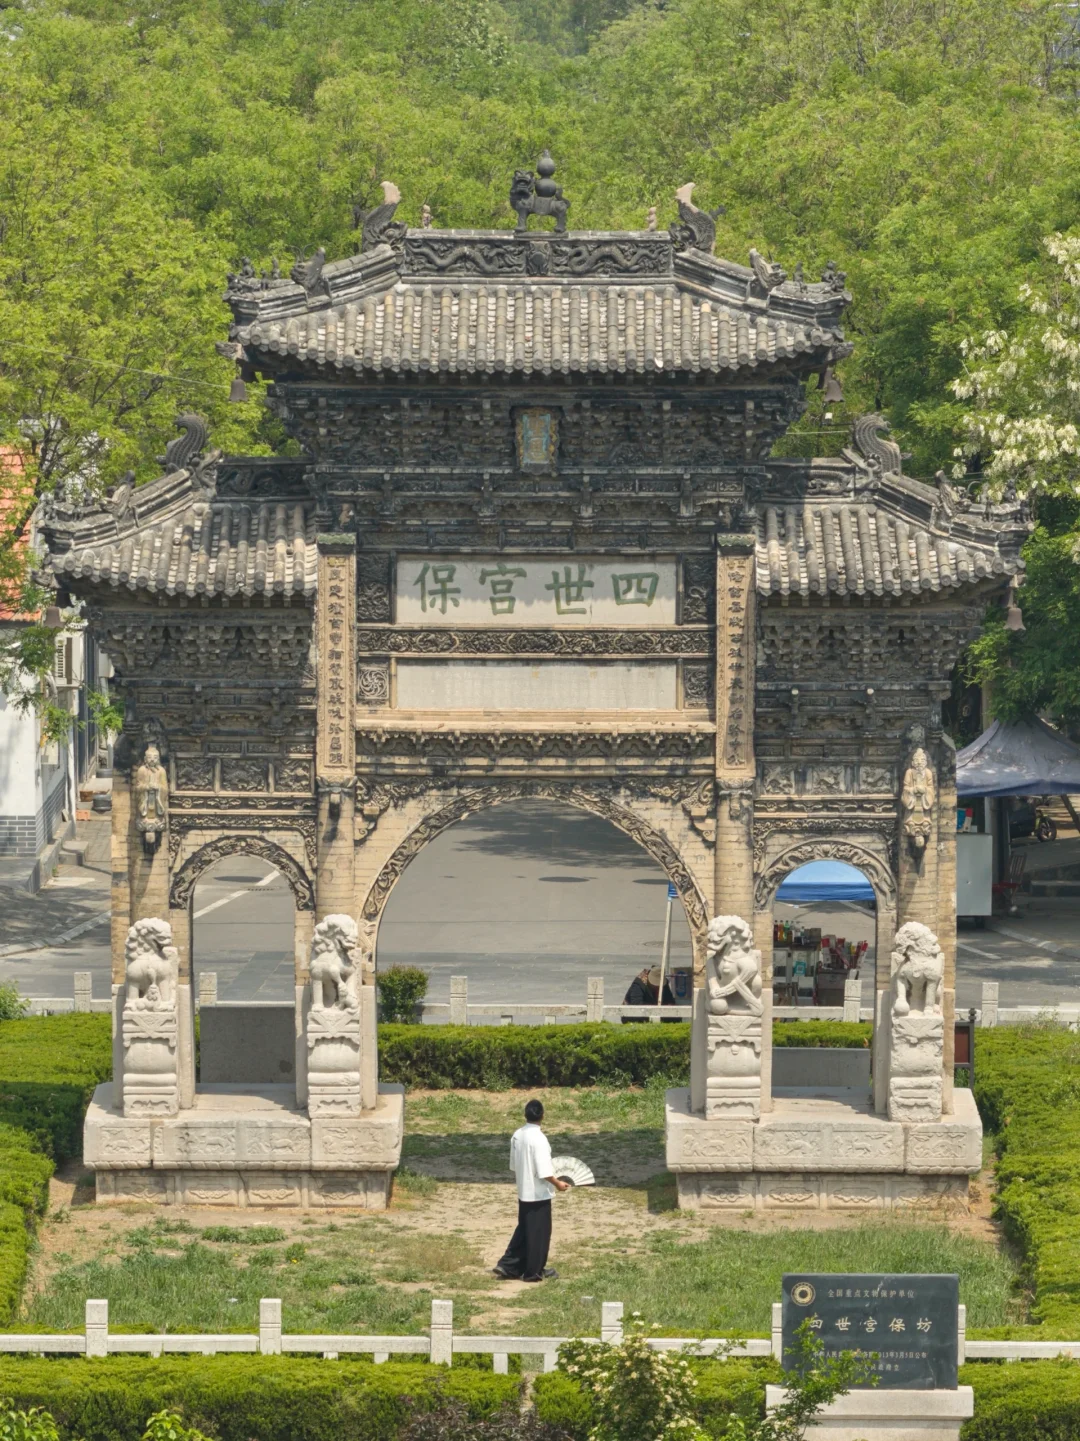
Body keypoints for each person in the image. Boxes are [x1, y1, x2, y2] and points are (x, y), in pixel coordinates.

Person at [493, 1099, 568, 1283]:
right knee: (539, 1235)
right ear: (542, 1116)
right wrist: (558, 1183)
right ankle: (533, 1272)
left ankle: (509, 1265)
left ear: (525, 1115)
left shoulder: (517, 1135)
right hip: (538, 1194)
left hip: (523, 1191)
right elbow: (544, 1172)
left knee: (525, 1230)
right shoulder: (539, 1139)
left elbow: (513, 1165)